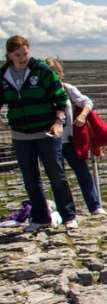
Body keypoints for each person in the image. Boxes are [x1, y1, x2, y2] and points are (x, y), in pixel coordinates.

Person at [1, 35, 78, 231]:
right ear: (9, 55)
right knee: (30, 179)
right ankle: (40, 217)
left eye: (25, 53)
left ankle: (68, 215)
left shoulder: (42, 71)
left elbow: (60, 98)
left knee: (56, 175)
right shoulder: (3, 75)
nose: (22, 58)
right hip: (21, 134)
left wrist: (58, 122)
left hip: (46, 132)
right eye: (18, 55)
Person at [44, 57, 107, 217]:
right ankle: (66, 212)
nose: (52, 75)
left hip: (70, 141)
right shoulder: (40, 93)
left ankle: (95, 207)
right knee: (58, 179)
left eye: (54, 72)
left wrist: (83, 115)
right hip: (50, 141)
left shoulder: (67, 89)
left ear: (59, 73)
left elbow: (87, 102)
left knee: (83, 173)